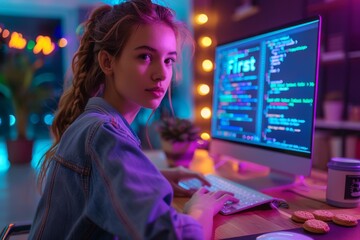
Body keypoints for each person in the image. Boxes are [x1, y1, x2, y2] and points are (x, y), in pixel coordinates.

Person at [29, 1, 238, 239]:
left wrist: (153, 178)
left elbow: (102, 183)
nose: (161, 74)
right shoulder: (103, 133)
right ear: (107, 62)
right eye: (145, 56)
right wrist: (201, 208)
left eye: (169, 60)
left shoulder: (95, 123)